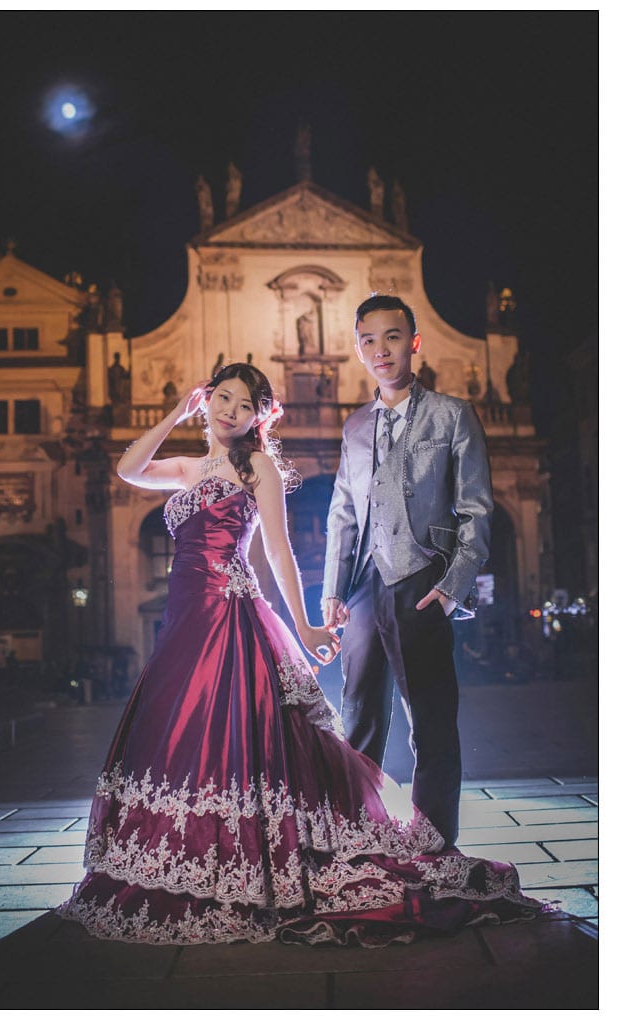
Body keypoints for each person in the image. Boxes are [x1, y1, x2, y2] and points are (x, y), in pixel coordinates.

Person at [57, 362, 542, 946]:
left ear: (259, 417)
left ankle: (246, 857)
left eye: (245, 404)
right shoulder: (186, 469)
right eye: (223, 398)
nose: (231, 410)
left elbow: (280, 555)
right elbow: (128, 468)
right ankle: (190, 850)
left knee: (236, 738)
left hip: (228, 615)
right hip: (181, 623)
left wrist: (307, 625)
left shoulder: (255, 466)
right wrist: (175, 414)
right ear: (207, 400)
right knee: (178, 737)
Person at [323, 294, 492, 849]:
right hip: (367, 584)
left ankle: (435, 844)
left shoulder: (453, 415)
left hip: (424, 578)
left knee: (432, 720)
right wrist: (332, 590)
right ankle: (358, 838)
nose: (381, 349)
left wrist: (452, 588)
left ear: (413, 342)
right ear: (358, 349)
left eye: (392, 336)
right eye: (368, 340)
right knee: (360, 716)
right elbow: (343, 513)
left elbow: (476, 510)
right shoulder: (353, 428)